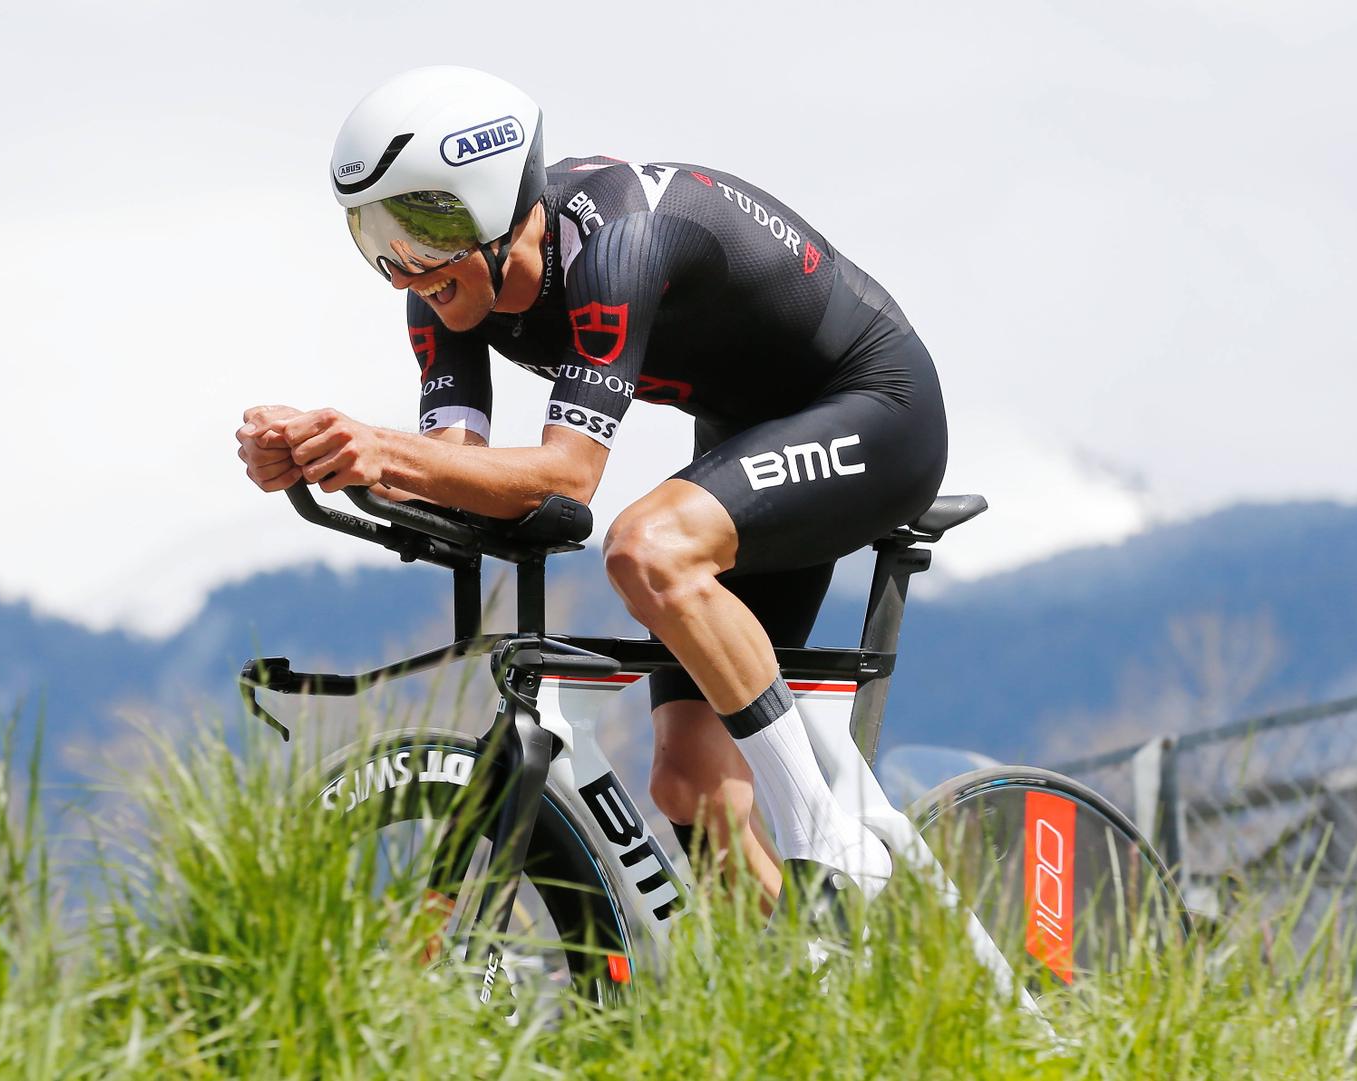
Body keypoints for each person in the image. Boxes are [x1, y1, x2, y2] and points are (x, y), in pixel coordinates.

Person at [236, 66, 948, 917]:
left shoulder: (614, 238)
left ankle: (823, 836)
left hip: (877, 406)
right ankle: (822, 987)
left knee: (647, 545)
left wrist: (379, 447)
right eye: (372, 235)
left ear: (492, 197)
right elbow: (457, 477)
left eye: (416, 227)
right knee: (690, 784)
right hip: (748, 438)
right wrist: (324, 457)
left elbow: (568, 477)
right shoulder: (442, 299)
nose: (400, 269)